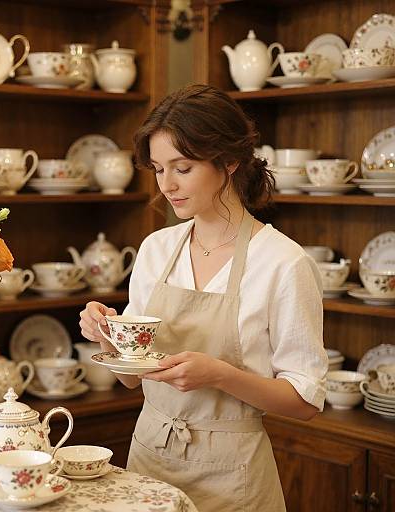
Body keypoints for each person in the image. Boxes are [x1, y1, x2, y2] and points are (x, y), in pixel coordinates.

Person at [79, 84, 327, 512]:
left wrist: (220, 375)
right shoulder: (157, 248)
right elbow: (131, 378)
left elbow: (305, 402)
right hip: (149, 462)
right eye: (158, 169)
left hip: (233, 479)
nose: (167, 185)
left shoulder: (283, 262)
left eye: (183, 167)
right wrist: (106, 336)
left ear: (229, 161)